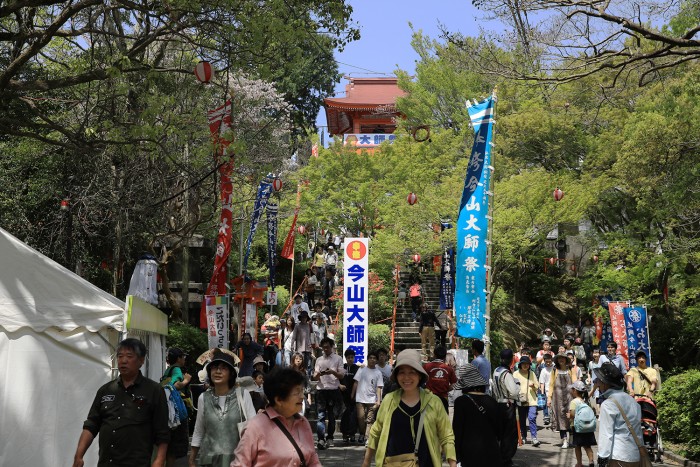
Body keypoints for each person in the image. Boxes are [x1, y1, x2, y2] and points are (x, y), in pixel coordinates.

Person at [73, 338, 169, 467]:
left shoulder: (154, 390)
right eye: (120, 356)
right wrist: (79, 455)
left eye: (129, 356)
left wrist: (159, 461)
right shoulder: (105, 390)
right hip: (107, 462)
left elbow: (162, 432)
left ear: (141, 360)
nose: (123, 361)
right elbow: (91, 424)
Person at [361, 350, 457, 467]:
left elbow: (446, 436)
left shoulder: (434, 402)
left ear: (420, 375)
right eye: (402, 372)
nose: (406, 377)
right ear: (396, 375)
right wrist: (366, 463)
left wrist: (453, 464)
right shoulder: (388, 400)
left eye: (412, 372)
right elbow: (375, 432)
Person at [231, 368, 321, 467]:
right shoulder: (255, 427)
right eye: (297, 392)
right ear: (279, 400)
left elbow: (312, 459)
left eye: (302, 391)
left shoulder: (303, 423)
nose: (302, 397)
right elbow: (240, 464)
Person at [189, 350, 255, 467]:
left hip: (237, 461)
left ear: (231, 373)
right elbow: (199, 430)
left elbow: (254, 430)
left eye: (223, 368)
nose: (218, 371)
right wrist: (192, 459)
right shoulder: (203, 398)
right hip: (209, 460)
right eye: (214, 367)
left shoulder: (243, 395)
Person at [452, 363, 504, 466]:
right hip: (492, 452)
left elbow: (457, 431)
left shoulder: (461, 402)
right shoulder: (492, 401)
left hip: (470, 453)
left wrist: (456, 455)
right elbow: (500, 430)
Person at [594, 362, 644, 467]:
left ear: (605, 383)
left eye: (598, 380)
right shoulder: (633, 402)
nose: (597, 383)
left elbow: (606, 435)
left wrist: (602, 459)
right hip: (635, 456)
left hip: (618, 457)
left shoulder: (608, 404)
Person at [312, 336, 346, 449]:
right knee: (320, 416)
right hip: (321, 390)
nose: (325, 349)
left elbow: (341, 375)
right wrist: (317, 375)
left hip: (333, 390)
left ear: (332, 347)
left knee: (331, 416)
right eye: (323, 348)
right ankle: (321, 439)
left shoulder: (338, 359)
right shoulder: (319, 360)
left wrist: (332, 372)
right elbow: (315, 376)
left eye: (327, 347)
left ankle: (330, 437)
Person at [162, 348, 192, 467]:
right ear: (179, 358)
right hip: (176, 412)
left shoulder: (168, 370)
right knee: (175, 448)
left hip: (167, 410)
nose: (184, 359)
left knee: (168, 447)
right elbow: (174, 385)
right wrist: (186, 380)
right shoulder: (177, 370)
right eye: (183, 357)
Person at [492, 349, 520, 467]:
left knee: (500, 433)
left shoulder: (496, 371)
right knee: (509, 434)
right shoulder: (507, 374)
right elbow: (513, 392)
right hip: (507, 405)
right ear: (511, 360)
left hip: (498, 404)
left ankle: (499, 456)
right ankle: (506, 459)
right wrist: (517, 384)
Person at [352, 350, 384, 445]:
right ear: (367, 359)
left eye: (374, 358)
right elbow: (356, 382)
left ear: (376, 360)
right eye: (370, 358)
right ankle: (362, 434)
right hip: (360, 398)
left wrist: (379, 400)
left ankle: (367, 438)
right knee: (361, 417)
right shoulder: (361, 369)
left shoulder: (378, 373)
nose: (372, 360)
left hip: (372, 399)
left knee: (370, 419)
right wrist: (352, 394)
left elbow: (379, 387)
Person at [548, 352, 578, 448]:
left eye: (563, 358)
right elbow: (551, 384)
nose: (561, 360)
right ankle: (564, 440)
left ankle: (572, 438)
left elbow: (575, 383)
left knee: (571, 417)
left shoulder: (571, 370)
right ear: (557, 360)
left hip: (570, 397)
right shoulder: (554, 370)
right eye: (559, 358)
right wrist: (549, 398)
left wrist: (577, 396)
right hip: (557, 398)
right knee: (560, 418)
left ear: (566, 360)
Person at [567, 380, 597, 467]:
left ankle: (579, 463)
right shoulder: (586, 401)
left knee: (578, 446)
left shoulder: (574, 402)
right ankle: (591, 461)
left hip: (577, 427)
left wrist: (569, 415)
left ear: (575, 391)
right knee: (587, 446)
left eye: (572, 389)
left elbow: (572, 414)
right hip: (588, 426)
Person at [513, 356, 541, 446]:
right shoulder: (515, 374)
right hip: (520, 400)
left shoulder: (532, 374)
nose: (525, 366)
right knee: (521, 420)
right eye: (523, 364)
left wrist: (533, 386)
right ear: (520, 365)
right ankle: (523, 437)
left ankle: (534, 438)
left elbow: (537, 387)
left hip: (532, 400)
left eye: (527, 364)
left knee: (532, 418)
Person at [424, 345, 457, 412]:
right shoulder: (449, 369)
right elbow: (454, 383)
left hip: (429, 398)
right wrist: (446, 389)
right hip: (443, 398)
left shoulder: (426, 366)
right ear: (445, 356)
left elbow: (420, 380)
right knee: (443, 421)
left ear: (434, 355)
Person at [340, 348, 360, 444]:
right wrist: (339, 386)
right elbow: (337, 379)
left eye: (352, 357)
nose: (350, 359)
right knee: (344, 415)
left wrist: (355, 394)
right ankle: (344, 434)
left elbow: (359, 382)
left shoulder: (357, 368)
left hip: (355, 396)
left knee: (353, 415)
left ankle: (352, 434)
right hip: (343, 396)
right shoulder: (342, 368)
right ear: (346, 358)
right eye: (348, 357)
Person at [290, 310, 313, 375]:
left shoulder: (309, 325)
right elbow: (294, 336)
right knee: (300, 364)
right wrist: (292, 345)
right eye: (302, 317)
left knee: (307, 364)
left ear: (307, 318)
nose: (304, 319)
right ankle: (299, 376)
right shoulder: (297, 326)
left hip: (308, 347)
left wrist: (312, 345)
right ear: (300, 318)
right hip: (300, 347)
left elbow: (311, 336)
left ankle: (306, 377)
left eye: (305, 317)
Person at [538, 352, 554, 425]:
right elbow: (542, 382)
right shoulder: (543, 370)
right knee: (546, 404)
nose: (548, 363)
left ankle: (554, 417)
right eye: (546, 362)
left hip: (555, 389)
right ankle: (546, 416)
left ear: (552, 360)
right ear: (544, 361)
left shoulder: (555, 368)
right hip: (547, 390)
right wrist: (542, 393)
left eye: (549, 361)